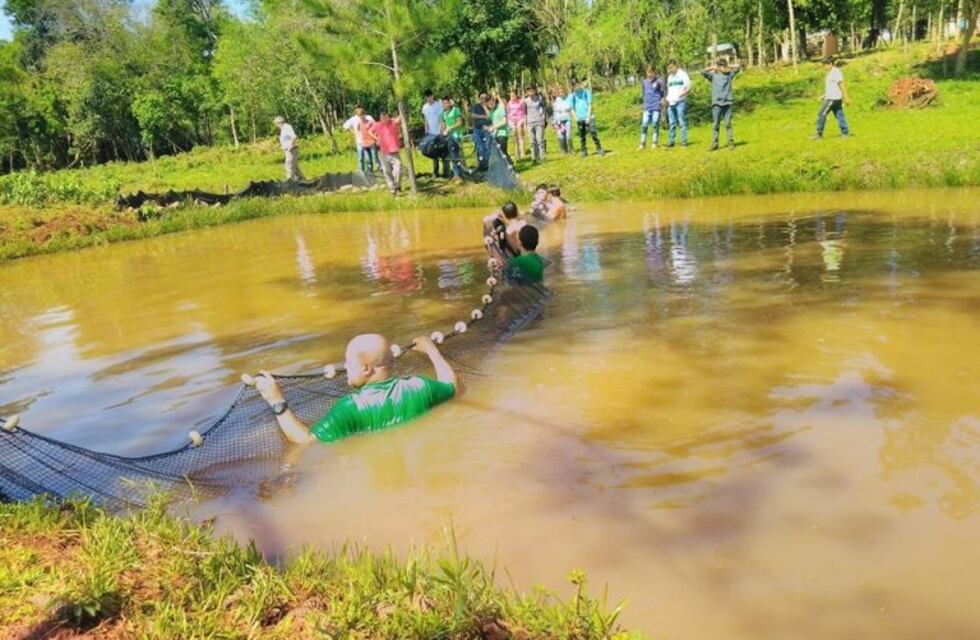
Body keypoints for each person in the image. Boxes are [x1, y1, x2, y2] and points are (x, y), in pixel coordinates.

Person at [248, 334, 458, 445]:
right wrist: (431, 350)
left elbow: (305, 441)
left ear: (366, 368)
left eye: (349, 362)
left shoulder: (350, 407)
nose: (345, 366)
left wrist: (276, 401)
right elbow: (454, 388)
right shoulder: (419, 386)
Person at [701, 58, 741, 150]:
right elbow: (702, 71)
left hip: (727, 102)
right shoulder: (713, 76)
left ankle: (730, 142)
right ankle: (715, 144)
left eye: (725, 66)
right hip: (716, 103)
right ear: (718, 67)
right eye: (722, 66)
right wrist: (712, 67)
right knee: (716, 124)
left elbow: (738, 67)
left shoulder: (729, 75)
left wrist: (728, 66)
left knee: (728, 124)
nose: (724, 68)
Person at [813, 57, 851, 139]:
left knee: (822, 114)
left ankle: (818, 134)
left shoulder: (836, 72)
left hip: (833, 98)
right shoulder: (830, 73)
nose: (823, 67)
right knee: (839, 115)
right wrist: (823, 96)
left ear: (830, 64)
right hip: (832, 97)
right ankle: (845, 133)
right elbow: (831, 87)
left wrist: (846, 97)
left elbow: (841, 85)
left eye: (825, 65)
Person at [369, 109, 403, 196]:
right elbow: (369, 131)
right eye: (383, 118)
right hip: (383, 152)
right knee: (387, 171)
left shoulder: (392, 122)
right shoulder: (377, 125)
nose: (385, 119)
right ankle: (393, 189)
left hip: (394, 151)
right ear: (380, 118)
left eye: (386, 117)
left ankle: (397, 185)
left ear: (388, 116)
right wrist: (377, 139)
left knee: (398, 169)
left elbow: (399, 118)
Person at [569, 78, 604, 157]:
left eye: (577, 84)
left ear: (579, 83)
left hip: (589, 116)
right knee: (582, 136)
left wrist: (588, 116)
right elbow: (572, 108)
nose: (576, 86)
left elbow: (589, 104)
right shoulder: (572, 96)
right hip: (580, 118)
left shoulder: (586, 92)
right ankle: (584, 151)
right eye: (574, 85)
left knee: (593, 132)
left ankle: (599, 149)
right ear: (573, 86)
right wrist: (576, 118)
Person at [421, 90, 448, 177]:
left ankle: (445, 171)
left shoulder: (438, 105)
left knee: (443, 151)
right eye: (427, 97)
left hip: (439, 131)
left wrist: (441, 130)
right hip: (430, 133)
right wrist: (426, 131)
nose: (429, 99)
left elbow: (441, 118)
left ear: (433, 96)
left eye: (430, 97)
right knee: (433, 153)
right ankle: (435, 171)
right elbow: (426, 120)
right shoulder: (425, 107)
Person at [665, 60, 691, 148]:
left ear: (676, 66)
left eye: (671, 67)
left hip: (680, 102)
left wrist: (681, 95)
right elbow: (669, 89)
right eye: (669, 68)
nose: (670, 70)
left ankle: (684, 142)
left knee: (681, 122)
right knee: (672, 123)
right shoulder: (670, 77)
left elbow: (688, 88)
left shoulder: (682, 75)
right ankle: (671, 141)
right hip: (671, 102)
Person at [343, 107, 377, 173]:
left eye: (362, 114)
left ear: (364, 113)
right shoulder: (354, 119)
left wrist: (374, 134)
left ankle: (370, 171)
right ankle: (361, 171)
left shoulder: (369, 118)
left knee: (370, 157)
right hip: (360, 141)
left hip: (369, 140)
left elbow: (375, 125)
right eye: (359, 115)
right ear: (356, 114)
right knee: (361, 157)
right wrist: (353, 131)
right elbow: (345, 126)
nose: (361, 116)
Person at [639, 65, 665, 150]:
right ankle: (642, 143)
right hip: (647, 107)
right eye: (648, 72)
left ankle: (654, 142)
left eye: (651, 72)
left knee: (655, 124)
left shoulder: (658, 81)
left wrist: (661, 101)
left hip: (656, 106)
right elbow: (643, 93)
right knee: (644, 124)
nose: (649, 74)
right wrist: (643, 103)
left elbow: (662, 93)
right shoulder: (644, 82)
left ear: (654, 72)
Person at [441, 96, 465, 180]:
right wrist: (444, 130)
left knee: (457, 155)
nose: (444, 105)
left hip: (456, 135)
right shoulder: (443, 113)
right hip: (449, 137)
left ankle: (460, 173)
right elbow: (444, 125)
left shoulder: (456, 110)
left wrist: (449, 128)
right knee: (452, 155)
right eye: (443, 103)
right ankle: (456, 174)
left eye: (446, 103)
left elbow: (460, 123)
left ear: (449, 103)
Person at [274, 116, 305, 181]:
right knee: (295, 167)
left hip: (291, 150)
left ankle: (290, 183)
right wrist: (278, 146)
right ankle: (304, 181)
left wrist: (290, 147)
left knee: (289, 166)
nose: (276, 126)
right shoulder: (283, 129)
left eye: (276, 124)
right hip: (288, 150)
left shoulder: (287, 127)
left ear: (279, 123)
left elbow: (294, 136)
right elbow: (286, 140)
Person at [524, 85, 548, 163]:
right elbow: (525, 113)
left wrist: (543, 119)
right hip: (530, 123)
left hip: (538, 122)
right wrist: (525, 124)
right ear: (527, 92)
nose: (531, 92)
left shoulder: (539, 99)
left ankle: (542, 157)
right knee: (532, 141)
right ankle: (534, 158)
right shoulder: (525, 101)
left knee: (540, 140)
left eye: (532, 90)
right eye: (529, 91)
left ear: (535, 91)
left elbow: (543, 109)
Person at [488, 93, 511, 163]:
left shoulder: (500, 108)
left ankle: (512, 169)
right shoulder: (491, 111)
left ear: (494, 101)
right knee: (500, 154)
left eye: (491, 104)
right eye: (489, 105)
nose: (490, 106)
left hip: (502, 134)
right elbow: (493, 122)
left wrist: (494, 127)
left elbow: (504, 121)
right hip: (496, 135)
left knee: (503, 152)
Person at [471, 92, 491, 171]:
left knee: (487, 147)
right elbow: (473, 115)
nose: (483, 100)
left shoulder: (489, 106)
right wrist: (483, 116)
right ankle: (481, 165)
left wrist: (485, 107)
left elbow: (490, 117)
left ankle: (488, 165)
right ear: (479, 99)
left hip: (486, 129)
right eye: (481, 98)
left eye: (485, 98)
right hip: (477, 130)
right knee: (479, 148)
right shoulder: (476, 106)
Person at [551, 85, 573, 154]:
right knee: (561, 135)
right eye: (559, 92)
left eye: (562, 91)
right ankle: (563, 150)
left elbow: (570, 106)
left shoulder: (569, 97)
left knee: (568, 134)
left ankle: (571, 149)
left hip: (567, 118)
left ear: (565, 91)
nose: (561, 93)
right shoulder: (557, 99)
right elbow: (555, 110)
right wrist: (554, 121)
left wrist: (567, 109)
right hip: (559, 120)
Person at [506, 90, 527, 160]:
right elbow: (508, 114)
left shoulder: (521, 102)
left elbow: (524, 112)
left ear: (516, 96)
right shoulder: (509, 103)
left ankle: (522, 153)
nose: (512, 97)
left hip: (520, 120)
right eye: (511, 96)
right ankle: (517, 153)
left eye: (513, 96)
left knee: (520, 136)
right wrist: (510, 123)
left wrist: (523, 122)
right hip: (512, 121)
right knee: (515, 138)